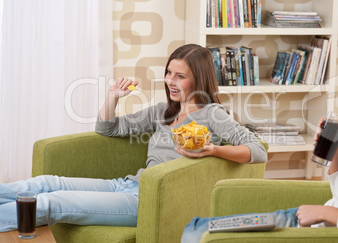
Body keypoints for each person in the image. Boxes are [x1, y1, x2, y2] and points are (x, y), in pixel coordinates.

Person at [0, 44, 267, 232]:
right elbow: (107, 128)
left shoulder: (213, 114)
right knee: (46, 183)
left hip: (149, 201)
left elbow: (257, 150)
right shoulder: (164, 111)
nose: (170, 81)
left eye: (180, 76)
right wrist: (113, 97)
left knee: (53, 203)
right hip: (126, 186)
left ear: (199, 79)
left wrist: (213, 151)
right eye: (168, 73)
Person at [181, 50, 338, 243]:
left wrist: (326, 212)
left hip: (312, 230)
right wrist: (336, 154)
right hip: (304, 220)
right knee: (195, 229)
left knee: (195, 236)